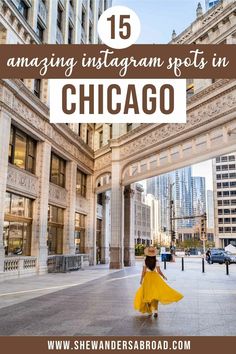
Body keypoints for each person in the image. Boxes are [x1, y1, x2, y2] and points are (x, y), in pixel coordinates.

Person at [134, 246, 183, 318]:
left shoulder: (145, 261)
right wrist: (163, 276)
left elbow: (143, 271)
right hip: (155, 278)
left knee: (147, 295)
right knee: (156, 295)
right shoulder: (156, 261)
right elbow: (159, 271)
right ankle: (156, 311)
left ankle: (150, 311)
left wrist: (141, 279)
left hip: (147, 278)